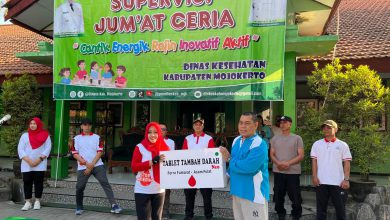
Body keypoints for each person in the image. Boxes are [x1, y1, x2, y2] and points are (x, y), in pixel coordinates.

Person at [219, 112, 270, 220]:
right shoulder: (236, 140)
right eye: (241, 123)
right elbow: (233, 164)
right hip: (237, 191)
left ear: (256, 125)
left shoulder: (259, 144)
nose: (243, 126)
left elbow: (248, 167)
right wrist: (223, 177)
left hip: (253, 194)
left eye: (247, 123)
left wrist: (228, 159)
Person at [71, 118, 122, 215]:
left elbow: (100, 152)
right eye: (85, 125)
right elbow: (74, 153)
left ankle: (114, 205)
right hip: (83, 167)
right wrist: (86, 164)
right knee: (80, 187)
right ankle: (79, 206)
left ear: (91, 126)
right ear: (81, 126)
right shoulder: (76, 139)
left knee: (105, 183)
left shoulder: (97, 137)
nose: (87, 127)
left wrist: (91, 165)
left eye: (89, 125)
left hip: (97, 165)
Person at [311, 120, 352, 220]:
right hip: (321, 182)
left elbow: (347, 163)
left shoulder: (343, 145)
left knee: (340, 209)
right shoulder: (317, 144)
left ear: (336, 129)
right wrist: (314, 177)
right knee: (321, 210)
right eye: (324, 127)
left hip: (338, 182)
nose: (326, 129)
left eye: (329, 127)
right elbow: (314, 162)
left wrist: (346, 179)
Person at [132, 122, 170, 220]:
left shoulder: (165, 148)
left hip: (159, 190)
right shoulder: (140, 147)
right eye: (149, 132)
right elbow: (134, 167)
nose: (152, 135)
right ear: (146, 133)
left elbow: (172, 167)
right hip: (142, 189)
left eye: (155, 132)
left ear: (159, 133)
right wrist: (152, 162)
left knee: (157, 218)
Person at [270, 116, 304, 220]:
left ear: (290, 124)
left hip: (293, 172)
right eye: (281, 122)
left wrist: (288, 163)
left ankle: (296, 214)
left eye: (285, 122)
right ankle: (281, 213)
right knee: (279, 195)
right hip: (278, 171)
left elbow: (301, 155)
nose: (282, 124)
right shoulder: (274, 138)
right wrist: (278, 163)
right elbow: (271, 154)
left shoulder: (297, 138)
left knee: (295, 196)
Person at [182, 118, 215, 220]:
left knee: (207, 196)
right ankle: (188, 216)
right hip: (190, 171)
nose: (198, 126)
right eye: (196, 124)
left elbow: (212, 154)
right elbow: (183, 153)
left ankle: (209, 217)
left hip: (204, 172)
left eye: (200, 125)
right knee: (189, 195)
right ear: (193, 126)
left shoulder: (209, 138)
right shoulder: (188, 138)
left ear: (203, 126)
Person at [18, 117, 52, 211]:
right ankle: (28, 202)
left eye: (34, 123)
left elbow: (48, 148)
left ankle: (37, 201)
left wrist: (39, 160)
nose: (32, 125)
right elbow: (20, 149)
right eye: (31, 123)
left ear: (38, 124)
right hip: (26, 163)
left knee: (38, 182)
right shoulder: (25, 136)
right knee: (27, 182)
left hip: (40, 163)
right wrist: (29, 161)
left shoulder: (45, 135)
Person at [160, 123, 175, 219]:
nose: (161, 131)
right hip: (154, 170)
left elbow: (172, 156)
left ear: (166, 131)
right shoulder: (151, 141)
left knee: (166, 192)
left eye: (163, 129)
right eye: (159, 129)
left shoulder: (171, 142)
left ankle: (165, 212)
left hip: (166, 170)